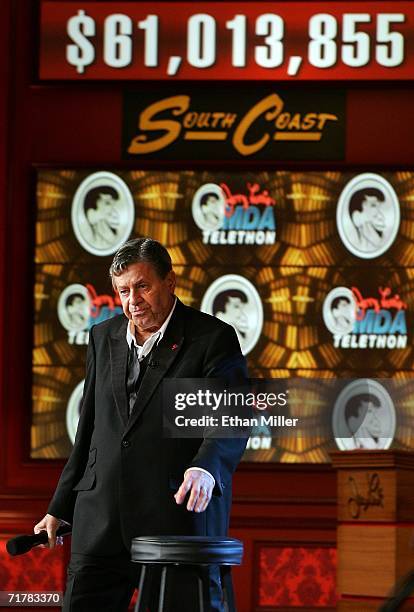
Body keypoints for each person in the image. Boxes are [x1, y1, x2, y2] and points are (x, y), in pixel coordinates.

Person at [34, 237, 248, 612]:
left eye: (142, 286)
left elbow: (230, 418)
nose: (133, 300)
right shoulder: (103, 337)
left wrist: (206, 468)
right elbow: (89, 431)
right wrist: (60, 506)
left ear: (170, 281)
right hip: (99, 523)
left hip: (174, 522)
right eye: (123, 291)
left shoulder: (212, 338)